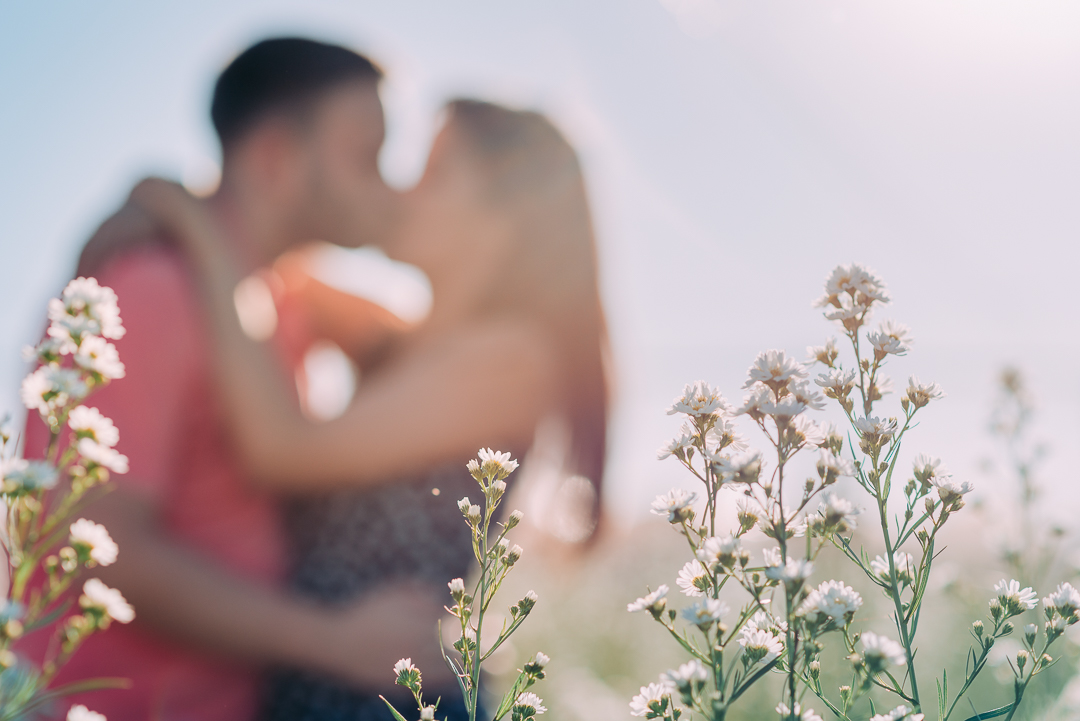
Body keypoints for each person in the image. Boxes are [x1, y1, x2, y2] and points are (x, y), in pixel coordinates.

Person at [125, 98, 611, 720]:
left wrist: (191, 224)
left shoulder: (509, 361)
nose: (401, 190)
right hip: (323, 681)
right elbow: (280, 264)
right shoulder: (403, 341)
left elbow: (282, 448)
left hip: (389, 696)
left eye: (433, 173)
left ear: (503, 221)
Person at [20, 38, 451, 721]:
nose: (389, 186)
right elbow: (101, 540)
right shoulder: (149, 287)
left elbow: (434, 342)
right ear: (275, 156)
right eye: (367, 156)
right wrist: (334, 640)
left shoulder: (279, 297)